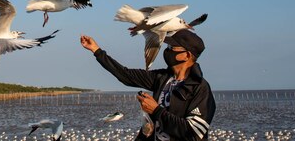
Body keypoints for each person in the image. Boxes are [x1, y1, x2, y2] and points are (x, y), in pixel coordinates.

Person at [80, 30, 215, 140]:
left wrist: (156, 110)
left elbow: (193, 131)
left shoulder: (200, 88)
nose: (166, 50)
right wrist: (97, 51)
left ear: (186, 55)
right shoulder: (162, 78)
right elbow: (125, 75)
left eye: (171, 47)